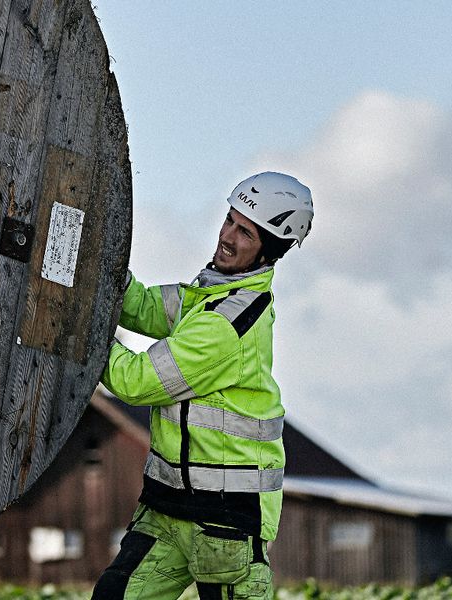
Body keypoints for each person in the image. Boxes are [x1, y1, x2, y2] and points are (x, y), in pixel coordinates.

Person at [92, 172, 314, 600]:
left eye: (244, 231)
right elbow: (139, 306)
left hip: (224, 519)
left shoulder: (227, 324)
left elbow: (135, 381)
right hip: (167, 507)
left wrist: (80, 337)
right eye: (229, 219)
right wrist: (95, 272)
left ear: (270, 250)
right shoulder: (206, 297)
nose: (227, 236)